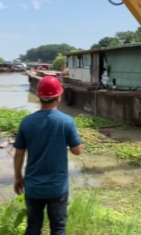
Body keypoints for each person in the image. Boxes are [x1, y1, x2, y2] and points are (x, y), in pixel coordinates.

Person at [13, 76, 83, 235]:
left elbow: (18, 154)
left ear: (39, 96)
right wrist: (78, 142)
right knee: (58, 228)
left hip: (33, 187)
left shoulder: (27, 122)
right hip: (57, 188)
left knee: (33, 227)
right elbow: (77, 150)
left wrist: (18, 177)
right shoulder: (67, 121)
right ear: (59, 96)